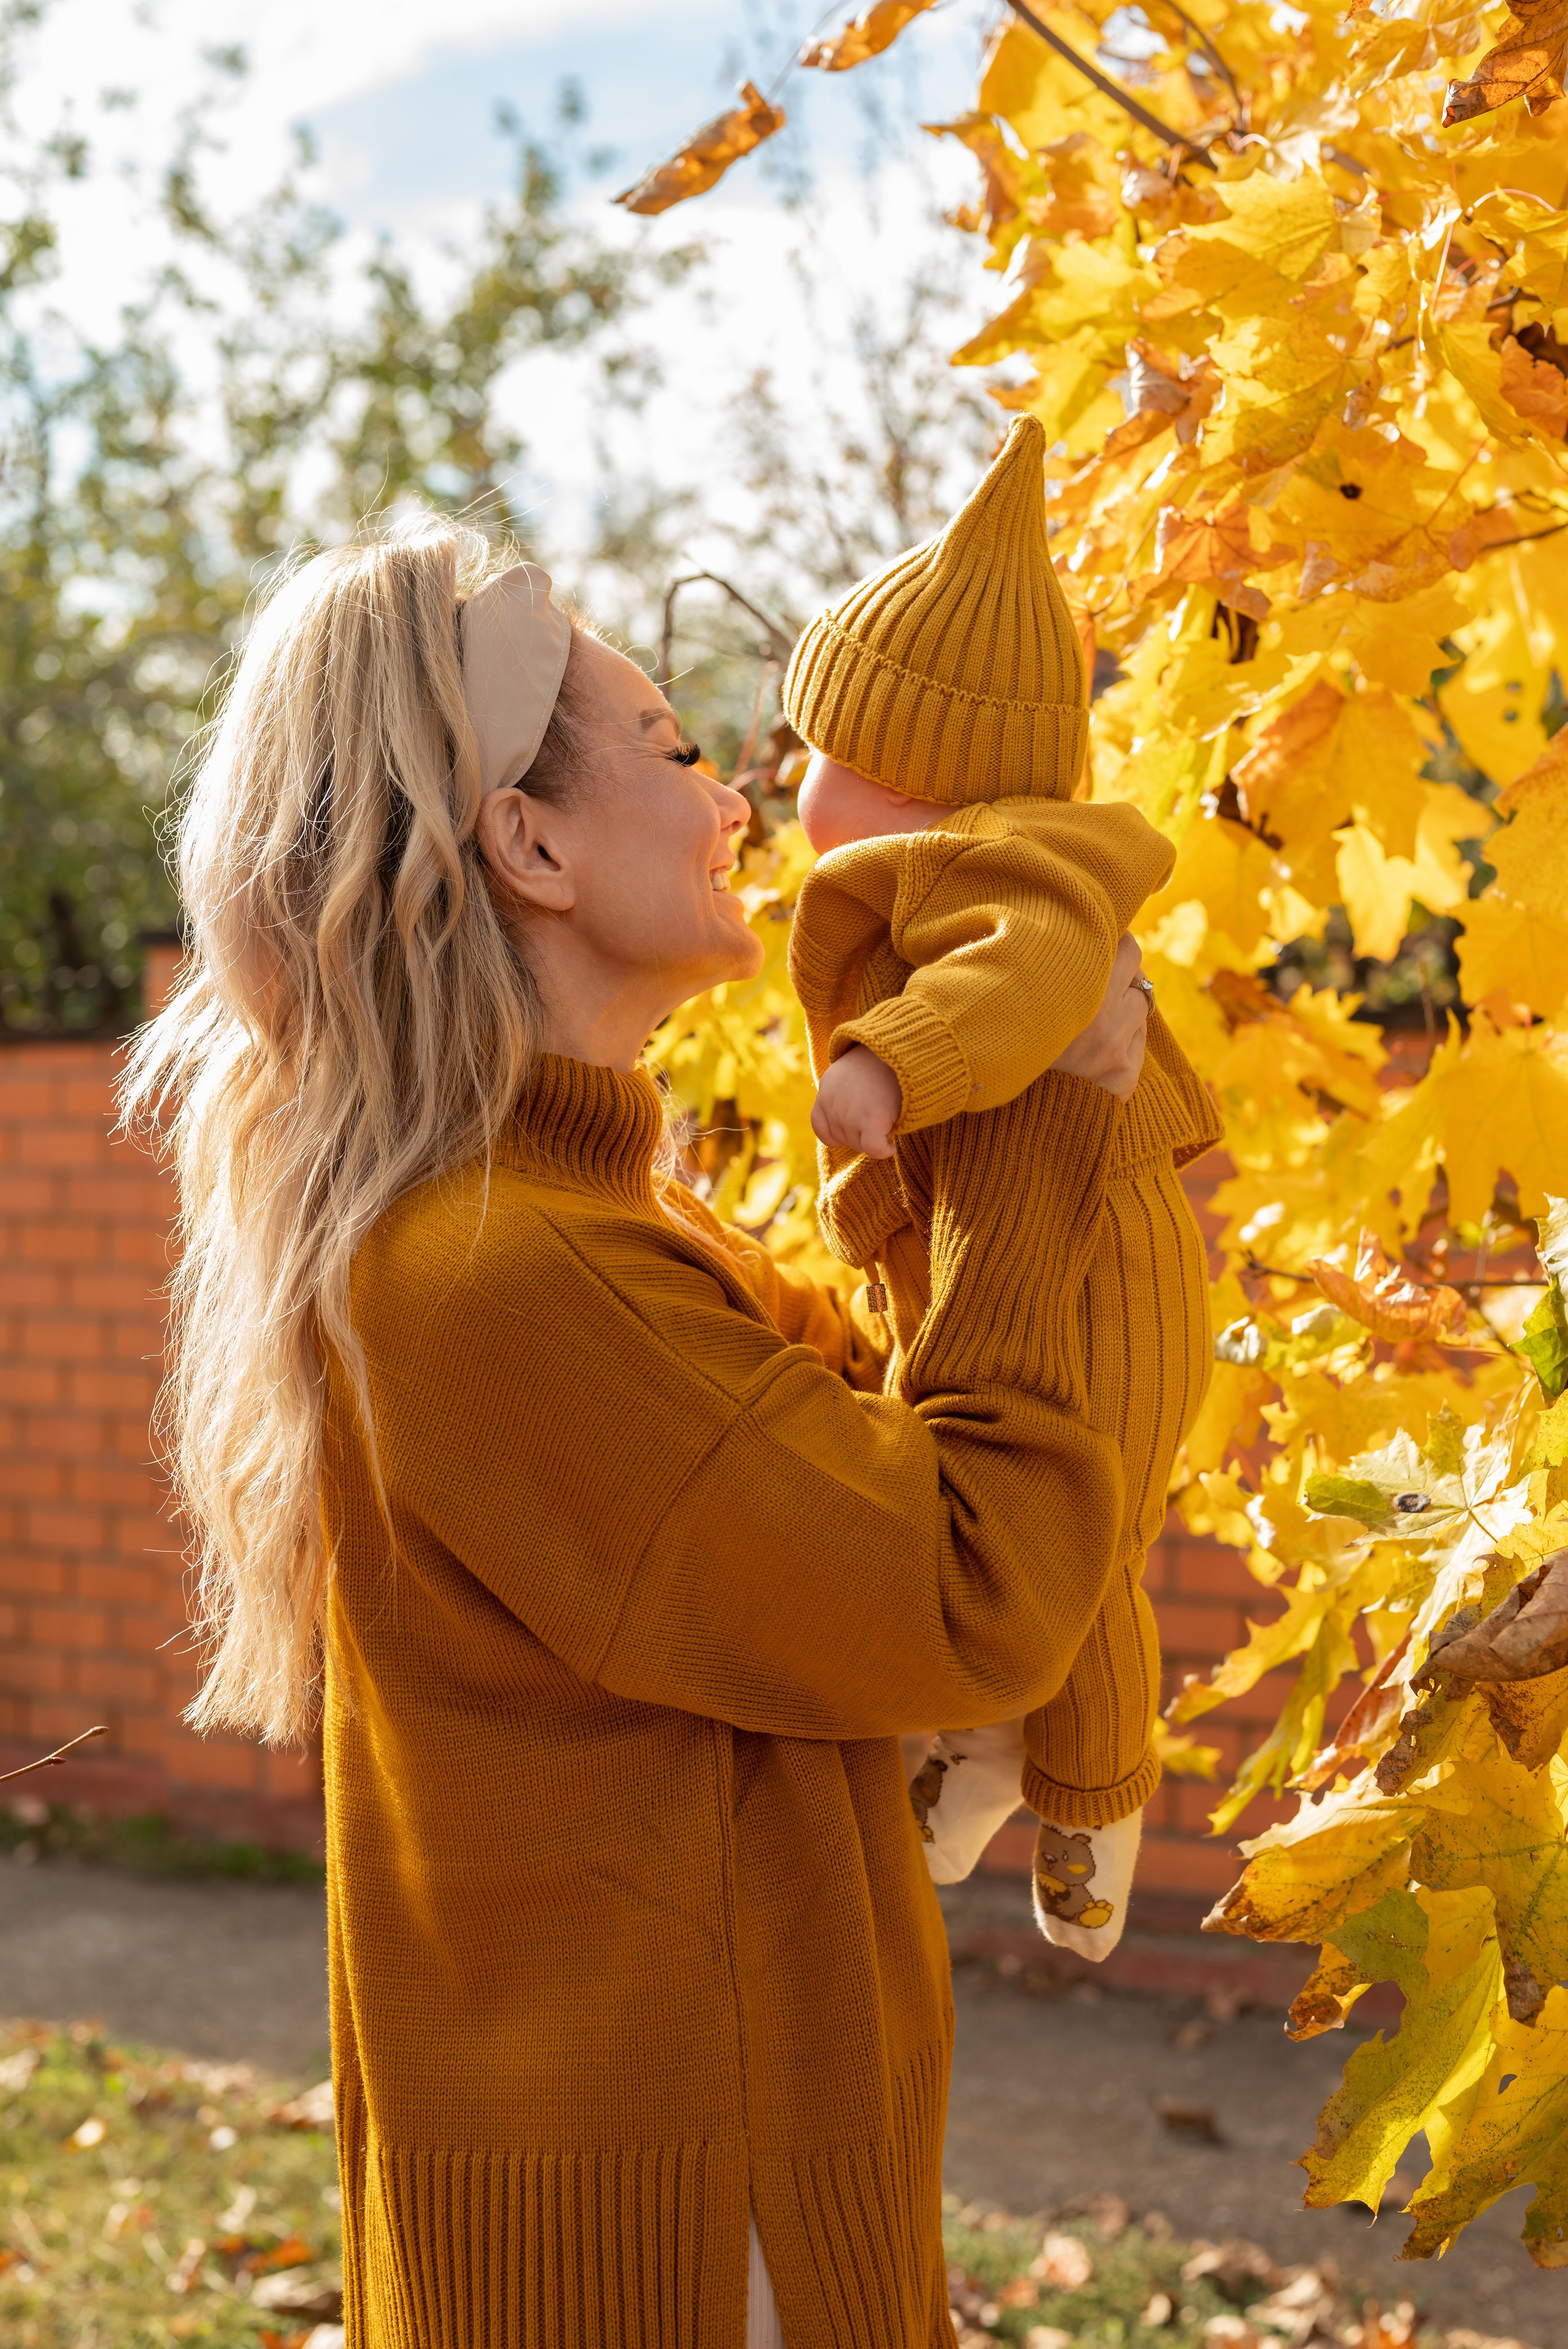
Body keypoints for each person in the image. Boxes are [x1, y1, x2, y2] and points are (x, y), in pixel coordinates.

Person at [124, 522, 1155, 2348]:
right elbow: (972, 1581)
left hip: (673, 2194)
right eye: (678, 749)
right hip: (680, 2237)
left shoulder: (589, 1226)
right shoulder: (514, 1273)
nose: (742, 800)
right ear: (526, 843)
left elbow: (916, 1426)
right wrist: (1048, 1129)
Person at [782, 415, 1221, 1952]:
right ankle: (978, 1775)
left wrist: (885, 1065)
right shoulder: (956, 871)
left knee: (1068, 1528)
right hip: (1039, 1252)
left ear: (923, 770)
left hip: (1093, 1274)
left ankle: (1089, 1808)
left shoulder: (1010, 870)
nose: (795, 784)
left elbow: (1028, 980)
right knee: (1026, 1517)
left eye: (825, 756)